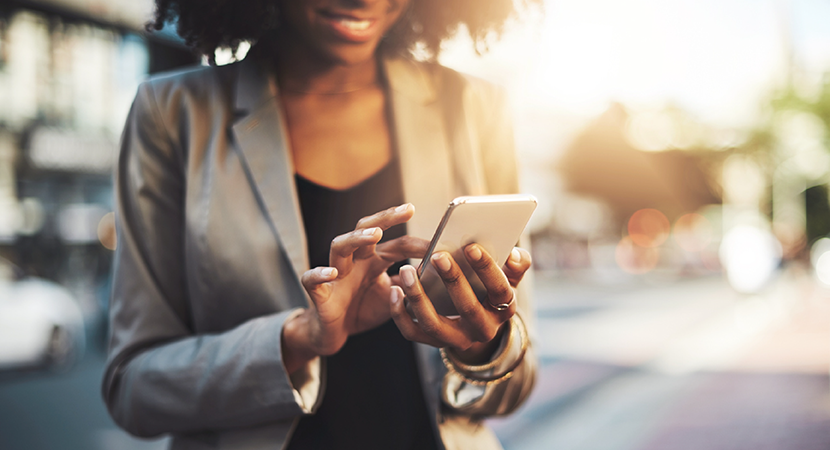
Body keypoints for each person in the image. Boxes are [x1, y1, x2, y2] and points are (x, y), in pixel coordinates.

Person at [102, 1, 538, 449]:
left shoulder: (475, 107)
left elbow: (519, 379)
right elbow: (132, 389)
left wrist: (479, 348)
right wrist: (298, 338)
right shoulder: (171, 112)